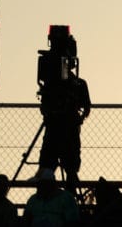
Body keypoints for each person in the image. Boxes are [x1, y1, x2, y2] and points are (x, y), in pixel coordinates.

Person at [37, 34, 92, 193]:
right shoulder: (57, 85)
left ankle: (69, 195)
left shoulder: (78, 84)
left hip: (66, 128)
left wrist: (78, 118)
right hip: (59, 127)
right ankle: (46, 194)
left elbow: (86, 107)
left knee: (69, 167)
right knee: (49, 165)